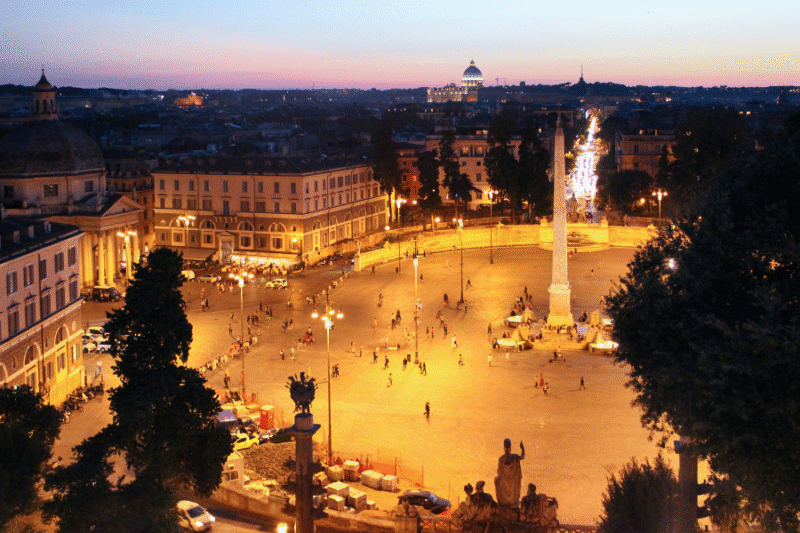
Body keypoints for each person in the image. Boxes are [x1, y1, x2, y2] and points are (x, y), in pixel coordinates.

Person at [495, 439, 525, 507]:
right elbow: (522, 457)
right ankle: (512, 501)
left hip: (503, 488)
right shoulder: (514, 457)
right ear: (510, 448)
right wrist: (522, 449)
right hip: (514, 488)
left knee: (496, 479)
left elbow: (499, 473)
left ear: (504, 448)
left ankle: (502, 501)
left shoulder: (501, 459)